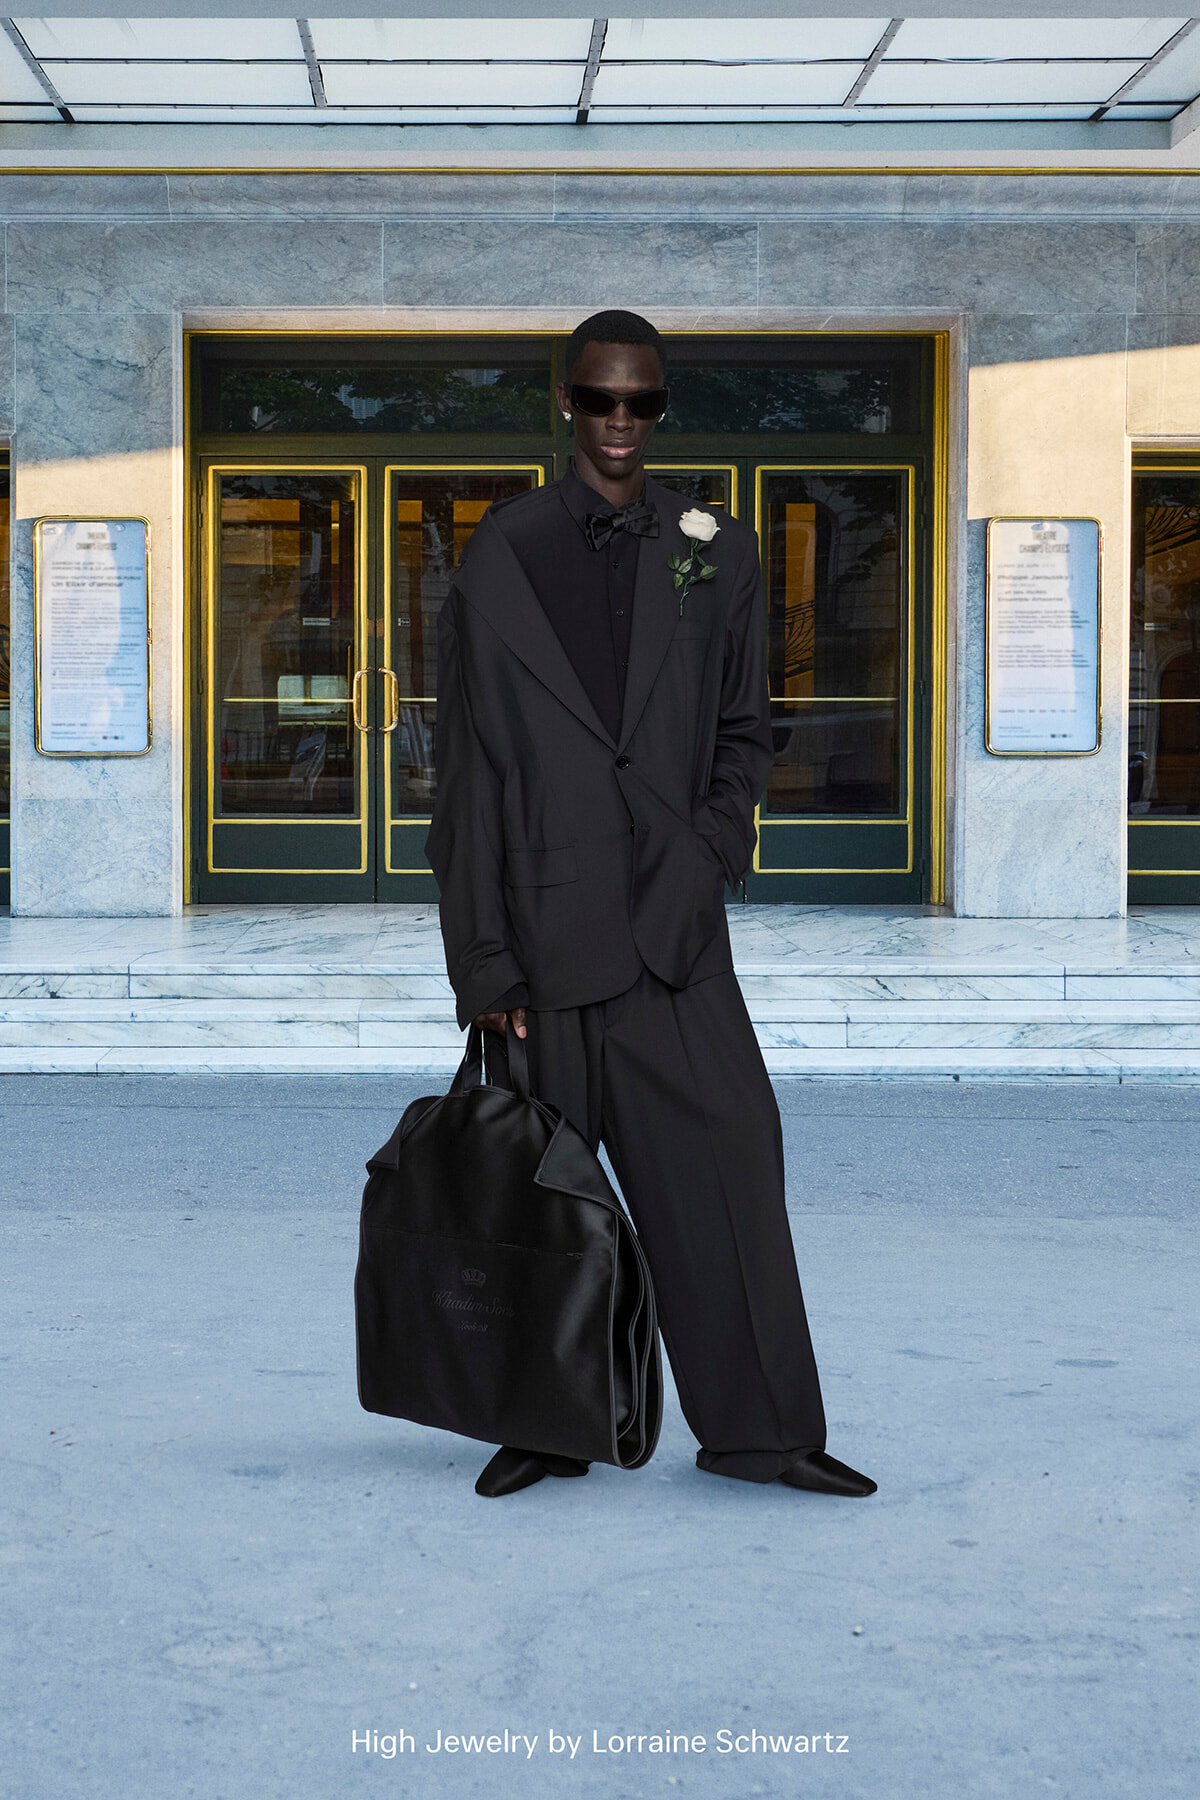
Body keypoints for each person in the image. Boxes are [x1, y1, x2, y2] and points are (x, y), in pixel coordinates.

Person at [427, 309, 875, 1502]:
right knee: (544, 1201)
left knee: (732, 1165)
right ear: (565, 404)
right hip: (541, 940)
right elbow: (469, 775)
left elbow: (744, 727)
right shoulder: (502, 551)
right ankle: (546, 1424)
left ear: (661, 409)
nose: (621, 422)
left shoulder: (716, 547)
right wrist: (483, 964)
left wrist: (715, 844)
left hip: (674, 934)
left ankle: (762, 1432)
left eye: (644, 403)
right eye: (600, 400)